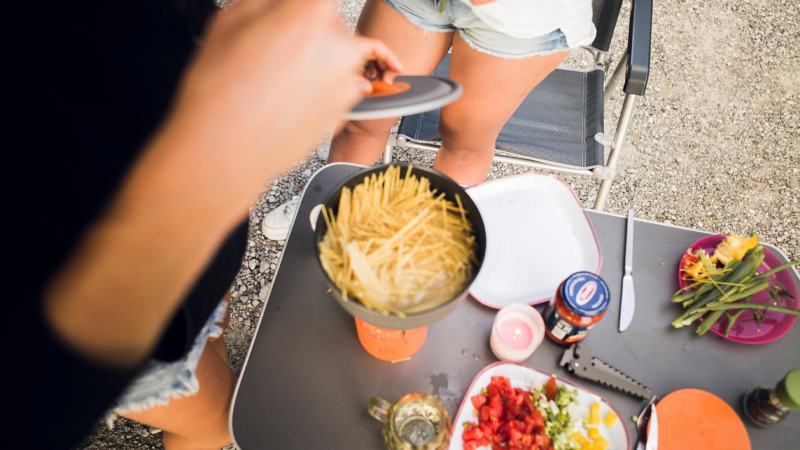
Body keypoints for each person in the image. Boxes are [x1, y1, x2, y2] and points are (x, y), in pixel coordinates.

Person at [2, 1, 400, 449]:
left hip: (195, 251)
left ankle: (208, 344)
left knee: (215, 321)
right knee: (221, 421)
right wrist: (222, 151)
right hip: (125, 308)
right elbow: (31, 406)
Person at [262, 0, 597, 241]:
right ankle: (330, 206)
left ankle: (425, 240)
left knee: (462, 143)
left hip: (523, 16)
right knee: (363, 114)